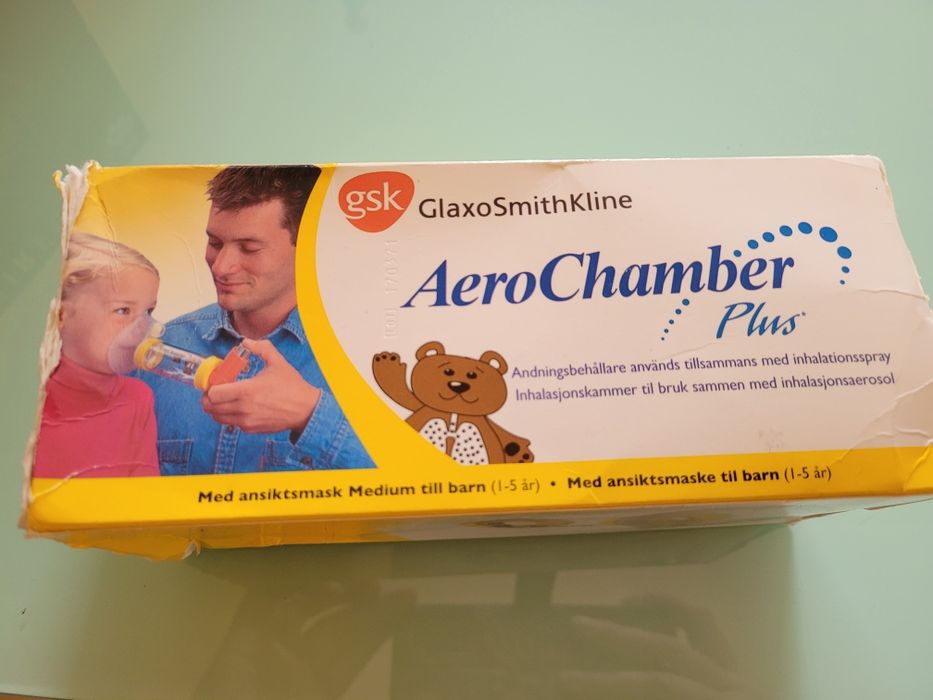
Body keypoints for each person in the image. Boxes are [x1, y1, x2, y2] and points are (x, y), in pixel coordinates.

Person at [141, 165, 374, 474]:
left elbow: (418, 478)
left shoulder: (364, 359)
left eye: (249, 248)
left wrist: (310, 414)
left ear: (309, 247)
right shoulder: (158, 350)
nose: (221, 266)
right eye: (215, 243)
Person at [33, 233, 161, 478]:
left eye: (148, 311)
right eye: (123, 310)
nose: (143, 327)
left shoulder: (137, 399)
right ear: (60, 315)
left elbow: (144, 494)